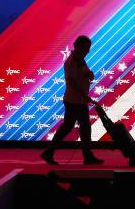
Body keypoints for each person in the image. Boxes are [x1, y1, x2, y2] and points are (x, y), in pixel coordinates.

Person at [40, 35, 104, 165]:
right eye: (86, 48)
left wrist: (89, 75)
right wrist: (84, 95)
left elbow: (83, 75)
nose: (88, 50)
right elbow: (71, 82)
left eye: (88, 48)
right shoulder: (72, 61)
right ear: (78, 46)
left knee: (82, 127)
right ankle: (50, 152)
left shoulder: (80, 60)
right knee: (70, 127)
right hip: (74, 101)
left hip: (79, 101)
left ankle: (87, 156)